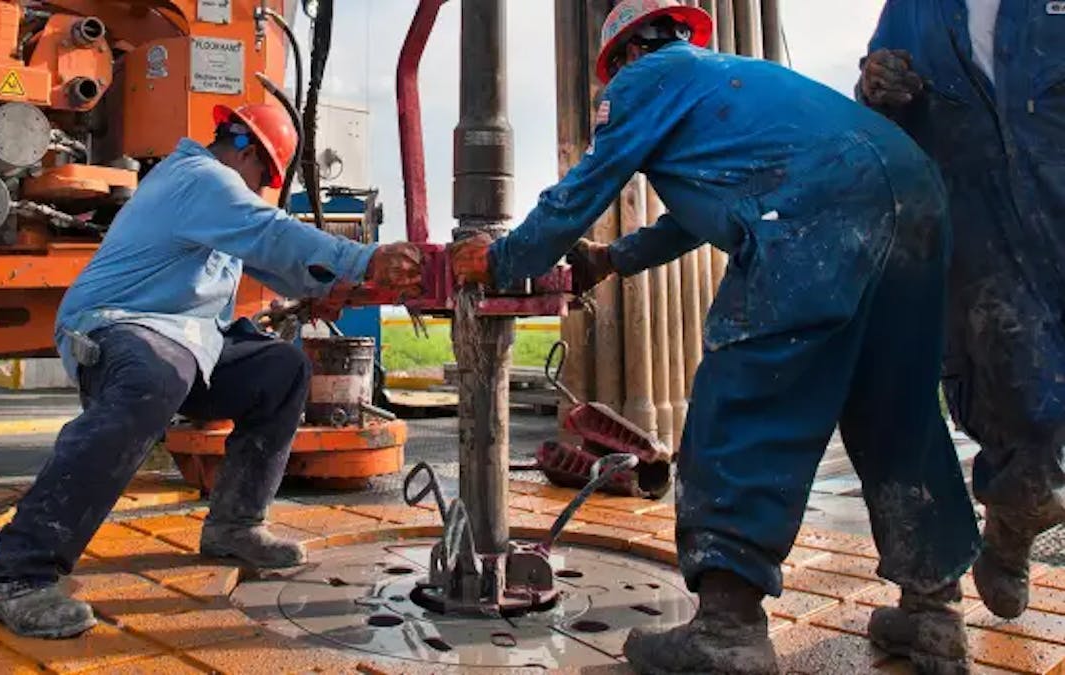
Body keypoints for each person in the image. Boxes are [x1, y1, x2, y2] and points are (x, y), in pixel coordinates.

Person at [450, 1, 979, 672]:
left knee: (746, 399)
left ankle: (727, 631)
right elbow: (690, 219)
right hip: (912, 198)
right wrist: (609, 259)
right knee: (897, 409)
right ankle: (934, 614)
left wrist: (501, 260)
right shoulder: (736, 83)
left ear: (624, 56)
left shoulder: (644, 80)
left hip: (813, 210)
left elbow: (580, 189)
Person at [0, 101, 423, 639]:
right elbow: (269, 230)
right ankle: (17, 576)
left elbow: (268, 258)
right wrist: (364, 259)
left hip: (184, 344)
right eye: (263, 176)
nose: (259, 189)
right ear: (243, 147)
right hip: (116, 330)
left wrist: (331, 289)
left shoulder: (212, 199)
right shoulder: (199, 178)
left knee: (281, 369)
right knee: (156, 376)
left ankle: (235, 525)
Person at [858, 0, 1065, 622]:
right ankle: (1016, 519)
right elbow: (875, 99)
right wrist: (876, 88)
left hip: (1056, 208)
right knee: (1025, 409)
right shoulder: (916, 9)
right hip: (978, 233)